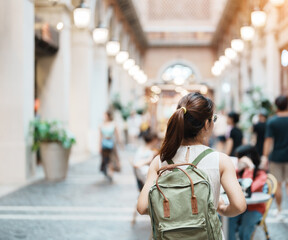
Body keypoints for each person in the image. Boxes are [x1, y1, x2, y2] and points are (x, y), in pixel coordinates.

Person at [137, 92, 247, 239]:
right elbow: (239, 206)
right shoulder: (220, 160)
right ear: (207, 124)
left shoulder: (160, 161)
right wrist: (221, 209)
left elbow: (142, 207)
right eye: (213, 119)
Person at [262, 95, 288, 222]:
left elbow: (268, 141)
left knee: (277, 184)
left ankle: (279, 209)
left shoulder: (272, 121)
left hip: (276, 157)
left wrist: (264, 156)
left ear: (276, 106)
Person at [228, 145, 267, 240]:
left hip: (254, 208)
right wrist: (238, 170)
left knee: (244, 233)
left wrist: (250, 169)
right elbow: (230, 186)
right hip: (238, 207)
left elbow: (247, 189)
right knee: (225, 222)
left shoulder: (261, 174)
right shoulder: (236, 171)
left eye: (239, 158)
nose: (237, 161)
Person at [99, 111, 121, 182]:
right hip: (104, 144)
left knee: (112, 159)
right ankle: (106, 171)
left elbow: (117, 135)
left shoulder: (113, 124)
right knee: (105, 159)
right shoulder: (101, 125)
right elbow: (100, 137)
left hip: (112, 144)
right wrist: (99, 146)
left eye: (105, 115)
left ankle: (111, 173)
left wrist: (119, 143)